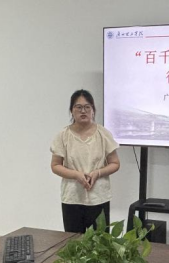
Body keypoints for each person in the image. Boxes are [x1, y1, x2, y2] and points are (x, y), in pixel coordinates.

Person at [50, 89, 120, 232]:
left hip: (99, 197)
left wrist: (97, 173)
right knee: (73, 240)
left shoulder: (103, 134)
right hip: (72, 197)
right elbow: (55, 165)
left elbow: (115, 163)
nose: (83, 111)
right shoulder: (63, 135)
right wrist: (76, 175)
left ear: (93, 110)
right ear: (71, 110)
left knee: (100, 241)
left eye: (87, 107)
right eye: (78, 107)